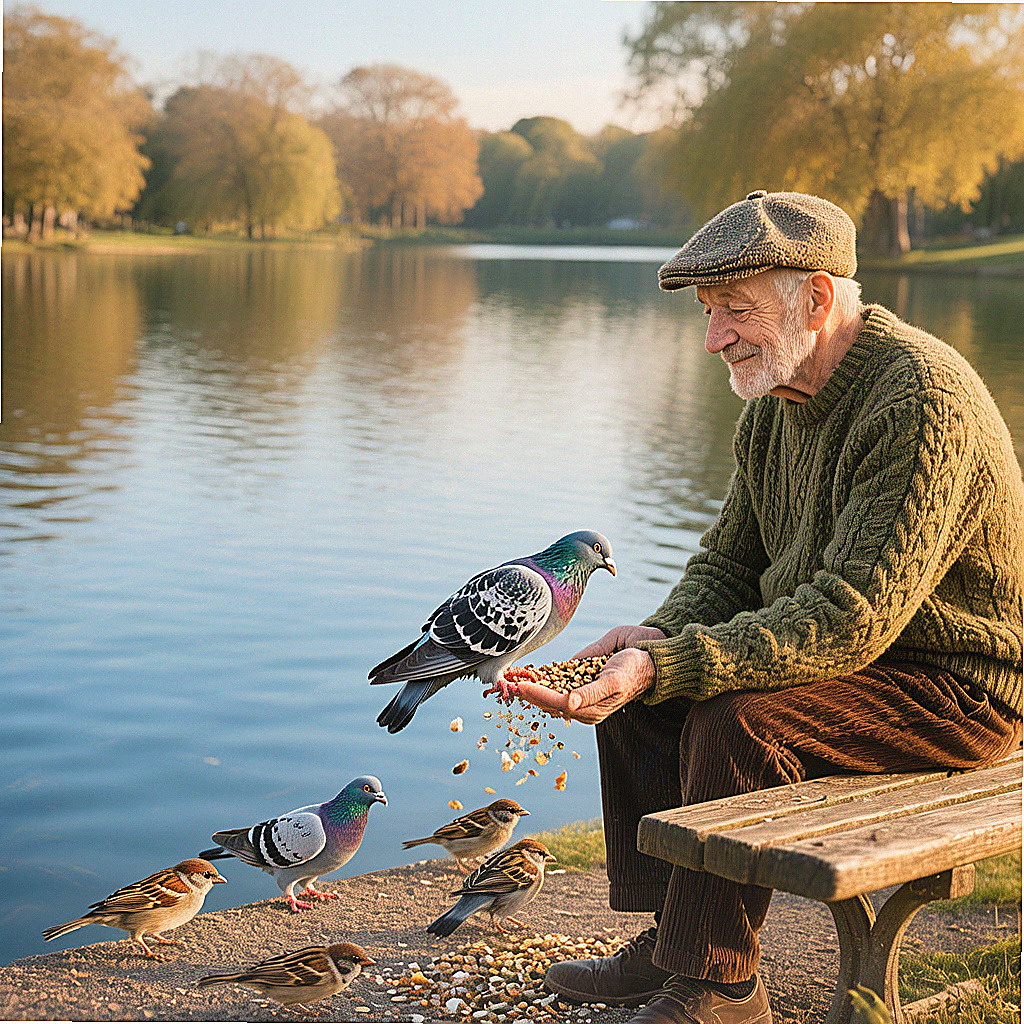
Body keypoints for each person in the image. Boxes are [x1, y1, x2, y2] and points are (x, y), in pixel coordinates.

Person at [516, 190, 1024, 1024]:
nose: (716, 336)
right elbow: (729, 562)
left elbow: (849, 613)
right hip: (858, 662)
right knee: (644, 689)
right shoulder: (775, 403)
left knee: (736, 722)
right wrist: (656, 639)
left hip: (955, 690)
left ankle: (720, 985)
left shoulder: (920, 403)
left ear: (817, 299)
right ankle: (674, 941)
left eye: (736, 311)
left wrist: (672, 659)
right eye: (711, 313)